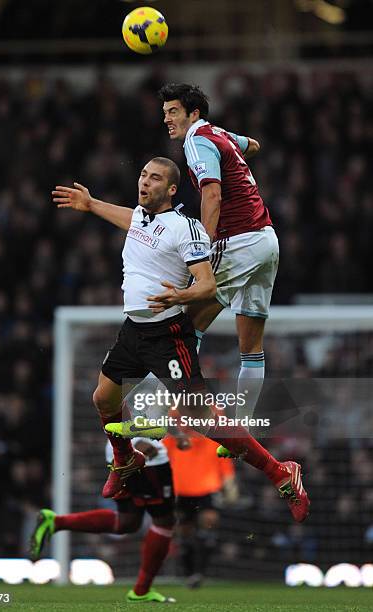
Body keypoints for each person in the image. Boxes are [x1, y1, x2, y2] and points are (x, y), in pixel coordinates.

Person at [52, 157, 310, 524]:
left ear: (171, 189)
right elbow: (131, 222)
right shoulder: (143, 218)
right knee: (103, 398)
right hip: (134, 331)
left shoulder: (184, 228)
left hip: (167, 336)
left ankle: (279, 471)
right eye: (142, 175)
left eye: (154, 178)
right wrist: (91, 204)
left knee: (204, 420)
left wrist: (178, 298)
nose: (144, 182)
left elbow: (206, 284)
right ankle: (125, 459)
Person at [158, 83, 280, 433]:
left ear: (193, 113)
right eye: (165, 113)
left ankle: (165, 411)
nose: (167, 119)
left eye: (173, 112)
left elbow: (212, 192)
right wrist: (231, 153)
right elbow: (252, 146)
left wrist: (203, 247)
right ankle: (241, 430)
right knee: (251, 346)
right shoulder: (216, 134)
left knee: (184, 327)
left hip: (237, 240)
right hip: (266, 240)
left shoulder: (196, 140)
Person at [30, 437, 176, 604]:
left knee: (127, 521)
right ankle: (141, 591)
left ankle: (56, 522)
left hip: (121, 450)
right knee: (164, 521)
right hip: (145, 454)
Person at [164, 433, 237, 588]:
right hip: (180, 489)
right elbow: (163, 458)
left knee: (209, 522)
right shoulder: (173, 433)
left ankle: (201, 571)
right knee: (184, 531)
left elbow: (225, 461)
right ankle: (190, 573)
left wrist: (230, 485)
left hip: (208, 489)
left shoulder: (214, 436)